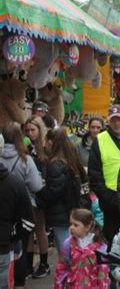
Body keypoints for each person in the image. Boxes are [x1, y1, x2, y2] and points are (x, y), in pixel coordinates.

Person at [88, 104, 120, 246]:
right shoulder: (100, 140)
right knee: (113, 240)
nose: (117, 123)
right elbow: (94, 174)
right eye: (113, 120)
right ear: (108, 121)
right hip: (110, 201)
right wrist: (108, 197)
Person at [0, 124, 43, 284]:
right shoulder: (26, 159)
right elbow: (36, 185)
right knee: (20, 248)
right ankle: (19, 283)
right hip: (24, 209)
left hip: (3, 207)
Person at [39, 128, 88, 252]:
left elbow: (54, 192)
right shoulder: (70, 158)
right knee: (72, 246)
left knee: (65, 249)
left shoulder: (56, 164)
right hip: (71, 210)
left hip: (61, 213)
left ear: (50, 142)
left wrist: (41, 191)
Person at [23, 116, 50, 279]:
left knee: (40, 228)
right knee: (28, 231)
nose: (30, 133)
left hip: (40, 194)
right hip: (26, 195)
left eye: (33, 130)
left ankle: (44, 263)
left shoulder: (45, 149)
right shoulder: (25, 148)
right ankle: (27, 265)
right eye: (27, 130)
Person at [54, 209, 109, 288]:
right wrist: (58, 286)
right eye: (71, 224)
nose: (71, 227)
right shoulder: (68, 244)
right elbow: (61, 267)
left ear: (87, 227)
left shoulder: (100, 246)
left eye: (76, 225)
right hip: (73, 285)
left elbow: (103, 272)